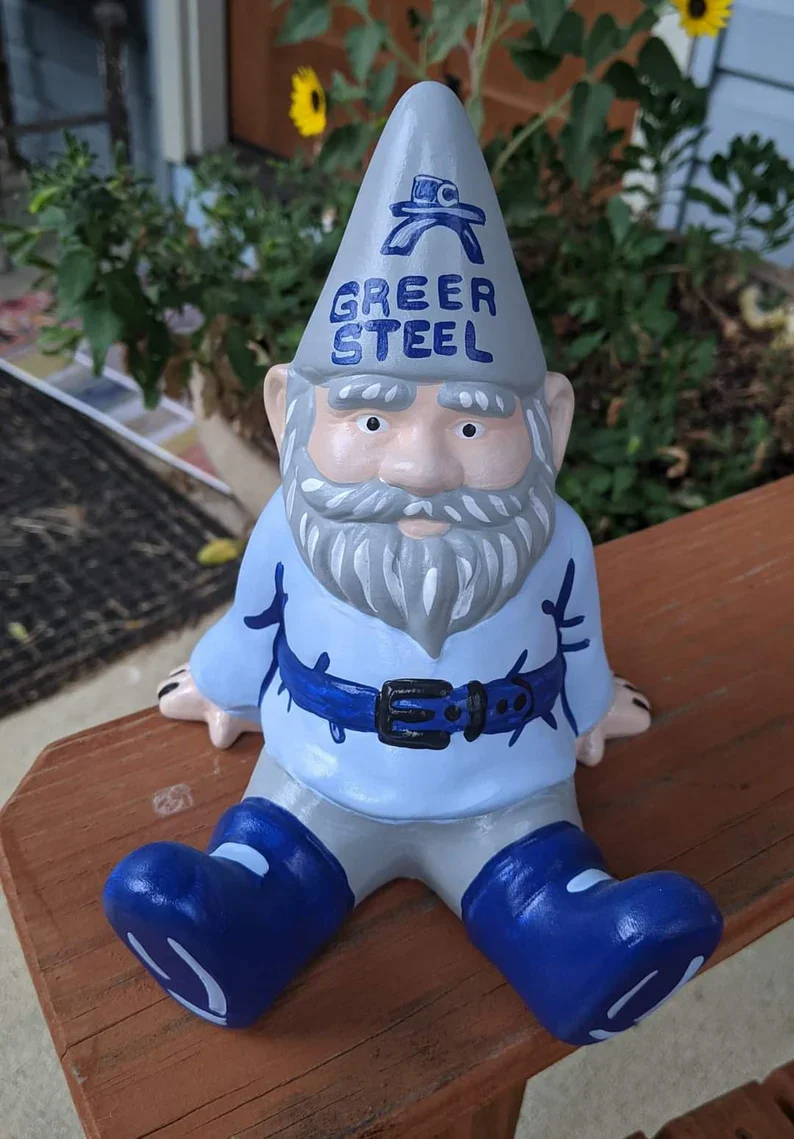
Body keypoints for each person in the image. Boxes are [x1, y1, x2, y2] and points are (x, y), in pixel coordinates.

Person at [104, 82, 722, 1044]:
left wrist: (590, 707)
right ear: (289, 413)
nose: (421, 469)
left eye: (472, 425)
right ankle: (237, 926)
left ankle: (574, 943)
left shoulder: (555, 539)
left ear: (549, 425)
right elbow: (255, 622)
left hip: (505, 786)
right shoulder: (291, 527)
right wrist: (225, 687)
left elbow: (575, 638)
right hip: (320, 771)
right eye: (371, 419)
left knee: (539, 873)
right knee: (272, 855)